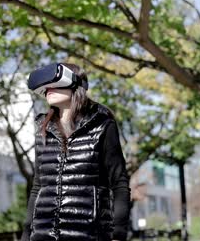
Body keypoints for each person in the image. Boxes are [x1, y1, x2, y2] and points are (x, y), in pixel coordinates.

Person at [21, 63, 131, 241]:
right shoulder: (42, 129)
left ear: (75, 84)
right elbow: (38, 187)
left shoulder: (102, 124)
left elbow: (119, 183)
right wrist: (26, 235)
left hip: (89, 235)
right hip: (43, 236)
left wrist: (118, 234)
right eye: (46, 86)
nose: (49, 89)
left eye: (54, 83)